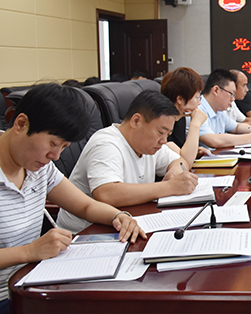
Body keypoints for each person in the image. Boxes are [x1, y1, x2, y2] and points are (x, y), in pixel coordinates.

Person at [0, 84, 145, 314]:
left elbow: (85, 205)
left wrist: (119, 216)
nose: (55, 156)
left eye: (64, 147)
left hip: (34, 291)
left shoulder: (38, 167)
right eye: (53, 143)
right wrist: (29, 251)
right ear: (21, 124)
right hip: (8, 303)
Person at [57, 91, 198, 233]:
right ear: (136, 121)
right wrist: (169, 187)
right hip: (86, 233)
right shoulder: (106, 144)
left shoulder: (149, 145)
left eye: (168, 134)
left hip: (127, 224)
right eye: (161, 132)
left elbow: (180, 161)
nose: (164, 141)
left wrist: (175, 173)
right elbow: (106, 194)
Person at [198, 69, 251, 149]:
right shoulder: (198, 109)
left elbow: (237, 127)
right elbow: (213, 140)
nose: (233, 99)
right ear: (216, 90)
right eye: (231, 94)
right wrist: (250, 138)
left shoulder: (219, 111)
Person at [160, 67, 210, 166]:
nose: (199, 103)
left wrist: (194, 152)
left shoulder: (180, 118)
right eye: (197, 97)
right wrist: (195, 123)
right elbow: (185, 162)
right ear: (180, 99)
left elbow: (180, 152)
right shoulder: (162, 121)